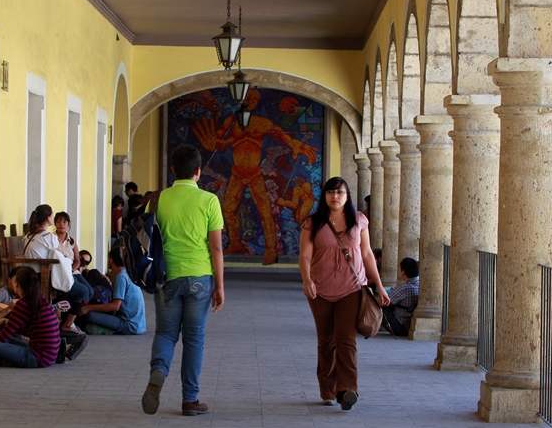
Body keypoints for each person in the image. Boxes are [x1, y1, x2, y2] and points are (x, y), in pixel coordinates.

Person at [142, 145, 224, 417]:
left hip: (166, 277)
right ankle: (190, 400)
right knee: (194, 339)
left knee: (165, 333)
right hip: (200, 278)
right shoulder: (209, 200)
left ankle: (158, 371)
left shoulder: (157, 199)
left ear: (173, 169)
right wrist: (220, 286)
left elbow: (147, 239)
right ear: (198, 170)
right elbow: (216, 247)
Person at [193, 88, 318, 265]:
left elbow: (281, 135)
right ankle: (235, 242)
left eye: (254, 99)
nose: (250, 101)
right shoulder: (230, 123)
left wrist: (294, 144)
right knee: (227, 209)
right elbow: (219, 143)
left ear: (256, 102)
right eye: (247, 98)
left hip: (255, 174)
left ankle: (271, 250)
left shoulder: (262, 123)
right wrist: (212, 144)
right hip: (237, 174)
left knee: (265, 211)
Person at [298, 176, 390, 411]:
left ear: (347, 196)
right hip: (320, 289)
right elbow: (305, 255)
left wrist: (379, 286)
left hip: (352, 288)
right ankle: (328, 390)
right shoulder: (313, 223)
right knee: (326, 341)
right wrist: (307, 279)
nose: (335, 196)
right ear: (324, 196)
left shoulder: (358, 220)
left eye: (340, 192)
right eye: (331, 192)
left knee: (346, 340)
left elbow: (367, 254)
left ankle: (347, 389)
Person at [0, 267, 70, 367]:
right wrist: (4, 321)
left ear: (16, 284)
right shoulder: (41, 300)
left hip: (37, 357)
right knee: (6, 339)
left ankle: (1, 360)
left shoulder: (23, 304)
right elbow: (25, 330)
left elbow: (3, 337)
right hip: (49, 356)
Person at [24, 204, 93, 333]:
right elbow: (59, 258)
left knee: (75, 288)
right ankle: (67, 323)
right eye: (52, 215)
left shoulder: (28, 237)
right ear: (49, 219)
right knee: (82, 291)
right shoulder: (49, 237)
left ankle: (57, 314)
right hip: (44, 279)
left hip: (29, 276)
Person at [80, 247, 146, 335]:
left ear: (111, 260)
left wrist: (89, 307)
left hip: (129, 325)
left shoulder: (121, 277)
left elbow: (115, 306)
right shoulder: (128, 274)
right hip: (139, 325)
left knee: (90, 315)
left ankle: (107, 329)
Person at [382, 258, 419, 337]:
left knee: (379, 308)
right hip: (411, 325)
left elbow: (384, 302)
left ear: (403, 272)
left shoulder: (404, 288)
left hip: (400, 326)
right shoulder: (420, 285)